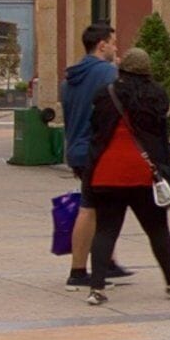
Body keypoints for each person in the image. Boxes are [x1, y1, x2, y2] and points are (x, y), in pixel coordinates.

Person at [77, 47, 170, 304]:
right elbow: (162, 129)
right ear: (147, 71)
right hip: (144, 172)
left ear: (122, 69)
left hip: (107, 170)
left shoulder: (105, 94)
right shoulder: (156, 95)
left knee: (106, 230)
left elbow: (96, 130)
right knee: (157, 229)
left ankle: (96, 289)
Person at [55, 23, 125, 287]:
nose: (116, 48)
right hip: (97, 151)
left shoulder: (71, 77)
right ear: (102, 45)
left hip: (76, 149)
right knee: (90, 210)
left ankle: (107, 262)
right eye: (114, 43)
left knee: (102, 208)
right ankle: (79, 271)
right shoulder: (107, 73)